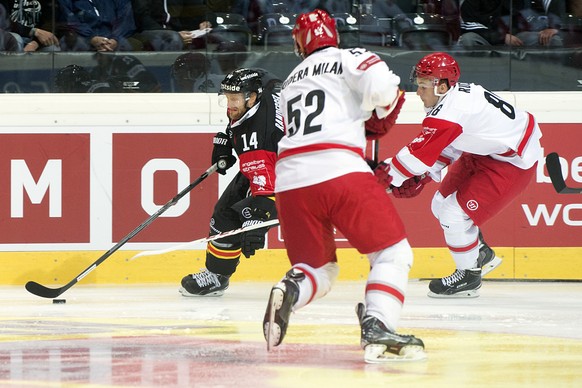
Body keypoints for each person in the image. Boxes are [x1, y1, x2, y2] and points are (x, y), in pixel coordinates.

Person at [262, 9, 426, 363]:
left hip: (290, 180)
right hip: (338, 169)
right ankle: (378, 322)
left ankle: (290, 288)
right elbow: (384, 90)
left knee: (316, 267)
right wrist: (385, 106)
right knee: (392, 253)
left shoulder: (291, 79)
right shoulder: (348, 57)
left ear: (299, 42)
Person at [375, 52, 542, 298]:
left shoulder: (450, 111)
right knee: (440, 204)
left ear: (442, 85)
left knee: (454, 213)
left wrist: (377, 182)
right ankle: (479, 253)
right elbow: (449, 147)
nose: (418, 92)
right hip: (484, 150)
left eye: (423, 86)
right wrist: (424, 176)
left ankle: (469, 277)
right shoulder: (451, 100)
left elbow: (414, 158)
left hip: (513, 161)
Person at [179, 68, 284, 297]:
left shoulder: (257, 140)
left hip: (293, 179)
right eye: (227, 97)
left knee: (233, 217)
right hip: (275, 164)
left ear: (252, 97)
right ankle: (217, 275)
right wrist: (226, 139)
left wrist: (258, 221)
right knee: (224, 213)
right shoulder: (260, 91)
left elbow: (267, 190)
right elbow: (270, 79)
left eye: (234, 99)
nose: (230, 104)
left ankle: (217, 276)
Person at [58, 0, 141, 51]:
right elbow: (68, 19)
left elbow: (126, 19)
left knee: (126, 45)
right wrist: (91, 38)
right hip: (81, 36)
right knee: (77, 44)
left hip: (113, 36)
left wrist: (114, 39)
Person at [458, 0, 524, 47]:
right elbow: (468, 25)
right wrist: (502, 37)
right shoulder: (468, 2)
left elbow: (524, 16)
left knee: (532, 37)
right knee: (468, 38)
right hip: (486, 39)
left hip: (511, 36)